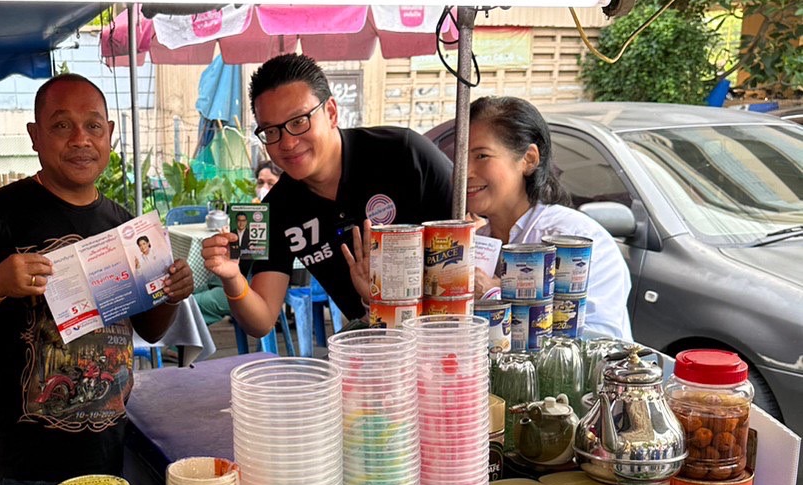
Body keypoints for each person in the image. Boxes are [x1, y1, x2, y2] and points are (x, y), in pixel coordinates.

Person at [0, 74, 194, 485]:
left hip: (110, 455)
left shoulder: (126, 228)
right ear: (35, 136)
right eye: (61, 125)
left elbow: (150, 331)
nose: (80, 139)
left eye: (93, 125)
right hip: (29, 467)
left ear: (109, 134)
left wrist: (171, 293)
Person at [202, 53, 453, 336]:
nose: (287, 143)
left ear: (331, 112)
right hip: (374, 345)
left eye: (299, 121)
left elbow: (469, 246)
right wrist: (232, 278)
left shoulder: (405, 154)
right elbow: (261, 322)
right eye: (271, 131)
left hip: (445, 333)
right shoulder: (274, 208)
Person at [464, 95, 632, 339]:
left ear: (528, 159)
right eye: (460, 157)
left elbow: (599, 339)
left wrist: (498, 295)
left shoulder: (574, 239)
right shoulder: (476, 242)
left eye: (482, 156)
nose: (466, 171)